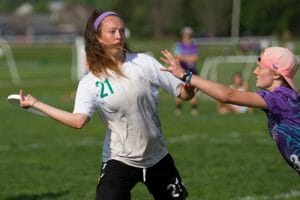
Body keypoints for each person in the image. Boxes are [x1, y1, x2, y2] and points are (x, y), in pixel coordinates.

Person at [19, 10, 195, 200]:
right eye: (112, 31)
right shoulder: (90, 81)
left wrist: (189, 88)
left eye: (121, 30)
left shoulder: (144, 63)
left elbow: (182, 93)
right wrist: (35, 103)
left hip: (157, 157)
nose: (119, 36)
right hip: (119, 159)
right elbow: (78, 121)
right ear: (98, 37)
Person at [161, 47, 300, 174]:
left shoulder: (281, 98)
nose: (255, 71)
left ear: (276, 74)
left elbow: (228, 95)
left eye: (260, 68)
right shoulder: (281, 97)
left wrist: (185, 75)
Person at [173, 26, 199, 116]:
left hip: (192, 72)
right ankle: (178, 109)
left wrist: (184, 58)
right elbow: (177, 56)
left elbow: (195, 58)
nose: (187, 36)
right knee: (180, 89)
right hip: (181, 71)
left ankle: (194, 109)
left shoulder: (194, 46)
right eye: (186, 34)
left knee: (193, 90)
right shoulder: (179, 45)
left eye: (189, 35)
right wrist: (188, 58)